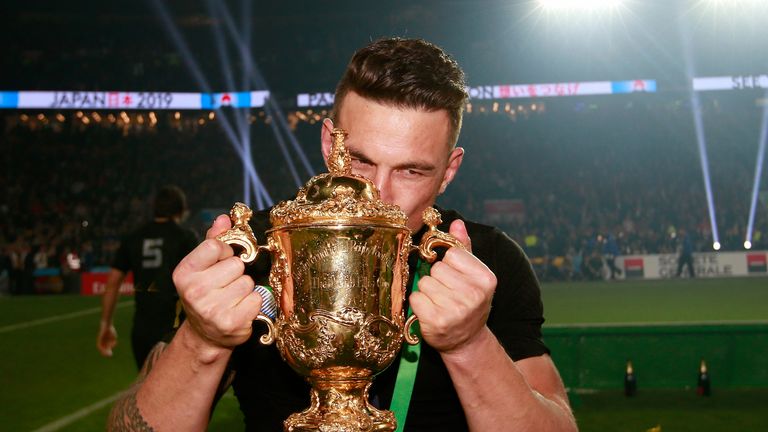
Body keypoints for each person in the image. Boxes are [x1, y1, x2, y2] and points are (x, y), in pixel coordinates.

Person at [108, 38, 576, 431]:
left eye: (412, 170)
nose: (380, 193)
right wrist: (201, 340)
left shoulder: (484, 264)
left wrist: (470, 343)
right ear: (327, 141)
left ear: (449, 171)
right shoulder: (258, 251)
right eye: (361, 161)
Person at [97, 185, 199, 369]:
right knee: (177, 393)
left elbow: (112, 283)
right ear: (181, 210)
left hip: (142, 330)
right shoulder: (185, 237)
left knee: (147, 391)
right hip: (175, 328)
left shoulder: (133, 237)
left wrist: (106, 324)